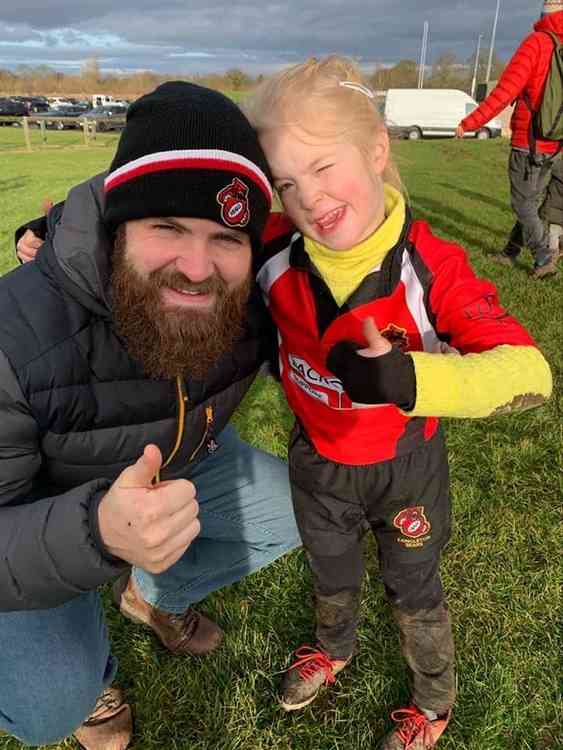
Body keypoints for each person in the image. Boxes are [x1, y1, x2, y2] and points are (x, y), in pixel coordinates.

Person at [243, 56, 553, 749]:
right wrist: (59, 230)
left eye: (323, 167)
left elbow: (529, 372)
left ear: (377, 149)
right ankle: (336, 647)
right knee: (331, 572)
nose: (309, 199)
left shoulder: (430, 265)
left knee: (412, 588)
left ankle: (432, 704)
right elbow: (179, 212)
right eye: (287, 183)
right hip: (317, 461)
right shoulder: (270, 248)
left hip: (403, 466)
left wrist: (410, 380)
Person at [0, 81, 301, 750]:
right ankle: (93, 671)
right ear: (118, 226)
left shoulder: (251, 298)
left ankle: (153, 595)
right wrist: (95, 535)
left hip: (185, 466)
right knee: (49, 707)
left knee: (305, 506)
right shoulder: (13, 337)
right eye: (166, 226)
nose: (196, 267)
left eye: (224, 236)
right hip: (40, 507)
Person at [456, 0, 563, 279]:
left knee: (522, 203)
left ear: (545, 14)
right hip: (556, 143)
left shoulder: (536, 43)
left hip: (528, 142)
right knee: (529, 200)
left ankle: (543, 256)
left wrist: (470, 123)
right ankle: (510, 253)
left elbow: (504, 92)